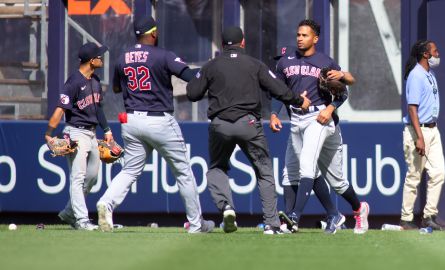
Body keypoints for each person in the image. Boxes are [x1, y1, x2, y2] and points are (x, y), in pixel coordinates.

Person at [186, 26, 311, 235]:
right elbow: (278, 88)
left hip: (220, 125)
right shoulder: (255, 64)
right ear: (242, 42)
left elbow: (192, 93)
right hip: (249, 125)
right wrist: (299, 100)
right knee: (263, 171)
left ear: (223, 43)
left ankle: (226, 207)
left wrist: (203, 76)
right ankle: (271, 224)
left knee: (217, 168)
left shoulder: (211, 65)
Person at [96, 16, 214, 233]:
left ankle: (106, 202)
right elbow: (190, 76)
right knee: (183, 172)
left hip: (131, 120)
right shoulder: (163, 55)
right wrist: (210, 75)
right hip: (159, 119)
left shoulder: (123, 57)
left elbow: (115, 89)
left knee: (130, 170)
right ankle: (196, 225)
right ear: (153, 33)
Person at [270, 19, 369, 234]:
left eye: (305, 35)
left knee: (314, 168)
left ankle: (296, 216)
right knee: (292, 173)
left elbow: (345, 89)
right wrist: (273, 114)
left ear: (315, 38)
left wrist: (330, 107)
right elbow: (278, 90)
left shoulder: (325, 62)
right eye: (298, 34)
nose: (300, 38)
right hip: (296, 120)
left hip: (320, 119)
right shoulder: (285, 61)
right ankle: (318, 217)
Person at [45, 42, 114, 230]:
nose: (102, 59)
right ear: (91, 61)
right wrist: (49, 134)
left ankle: (69, 212)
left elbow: (98, 108)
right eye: (99, 56)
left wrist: (107, 130)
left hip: (92, 133)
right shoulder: (73, 82)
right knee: (78, 177)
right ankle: (82, 220)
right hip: (75, 132)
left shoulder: (96, 81)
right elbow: (60, 109)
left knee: (91, 177)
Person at [400, 40, 445, 230]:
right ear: (426, 55)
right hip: (419, 131)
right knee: (414, 176)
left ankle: (429, 216)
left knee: (439, 173)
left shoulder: (430, 74)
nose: (438, 54)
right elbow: (412, 109)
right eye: (435, 51)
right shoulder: (416, 75)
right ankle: (406, 218)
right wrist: (419, 137)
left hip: (433, 130)